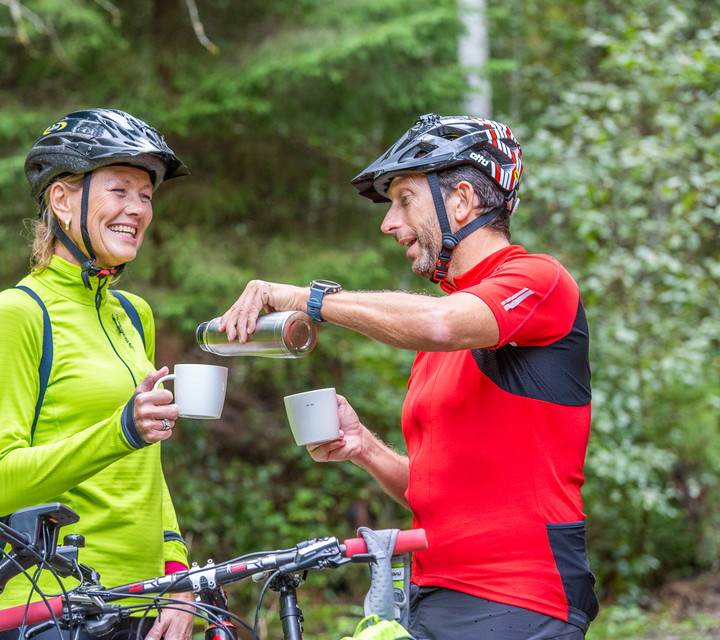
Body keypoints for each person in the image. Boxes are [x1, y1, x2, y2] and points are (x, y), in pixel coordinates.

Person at [216, 114, 600, 640]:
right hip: (433, 594)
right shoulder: (438, 341)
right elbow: (436, 492)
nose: (389, 223)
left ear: (461, 200)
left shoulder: (537, 280)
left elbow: (439, 324)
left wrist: (309, 297)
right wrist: (364, 448)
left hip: (518, 600)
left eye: (404, 199)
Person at [0, 108, 194, 640]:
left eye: (146, 196)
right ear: (62, 199)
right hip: (53, 609)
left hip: (144, 604)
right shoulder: (18, 312)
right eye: (119, 190)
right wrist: (121, 430)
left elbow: (148, 466)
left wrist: (178, 573)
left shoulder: (133, 314)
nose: (137, 209)